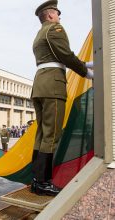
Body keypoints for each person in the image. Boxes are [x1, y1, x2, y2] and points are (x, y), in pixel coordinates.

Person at [31, 0, 94, 197]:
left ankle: (36, 179)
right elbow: (65, 55)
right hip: (53, 87)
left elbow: (56, 55)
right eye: (58, 13)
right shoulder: (55, 28)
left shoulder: (39, 34)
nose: (60, 16)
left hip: (40, 85)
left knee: (42, 134)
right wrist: (86, 72)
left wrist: (85, 63)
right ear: (50, 15)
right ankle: (42, 182)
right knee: (52, 135)